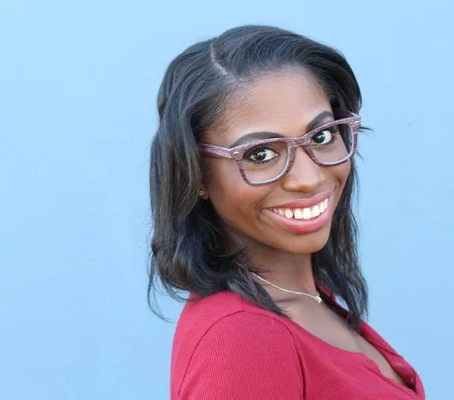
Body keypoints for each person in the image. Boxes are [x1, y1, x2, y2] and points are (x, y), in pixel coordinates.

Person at [148, 25, 425, 399]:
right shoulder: (244, 341)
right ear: (195, 174)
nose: (308, 178)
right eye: (260, 154)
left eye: (322, 137)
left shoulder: (310, 301)